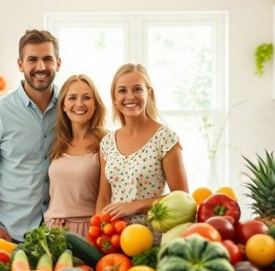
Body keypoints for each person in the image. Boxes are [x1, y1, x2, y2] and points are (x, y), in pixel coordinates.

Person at [0, 29, 61, 242]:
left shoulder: (71, 107)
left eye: (48, 59)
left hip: (63, 231)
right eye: (32, 59)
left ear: (58, 62)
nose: (41, 67)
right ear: (20, 64)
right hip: (12, 233)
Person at [96, 63, 188, 239]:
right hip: (115, 239)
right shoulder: (107, 142)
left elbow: (182, 198)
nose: (130, 97)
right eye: (122, 90)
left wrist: (137, 205)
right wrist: (101, 231)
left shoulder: (165, 138)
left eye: (137, 89)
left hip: (152, 238)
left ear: (149, 94)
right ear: (114, 98)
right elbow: (103, 197)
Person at [44, 74, 107, 237]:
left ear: (95, 105)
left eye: (86, 97)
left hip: (88, 231)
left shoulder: (106, 143)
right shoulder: (58, 143)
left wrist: (98, 232)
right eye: (72, 98)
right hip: (53, 230)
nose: (79, 104)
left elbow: (107, 197)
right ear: (63, 106)